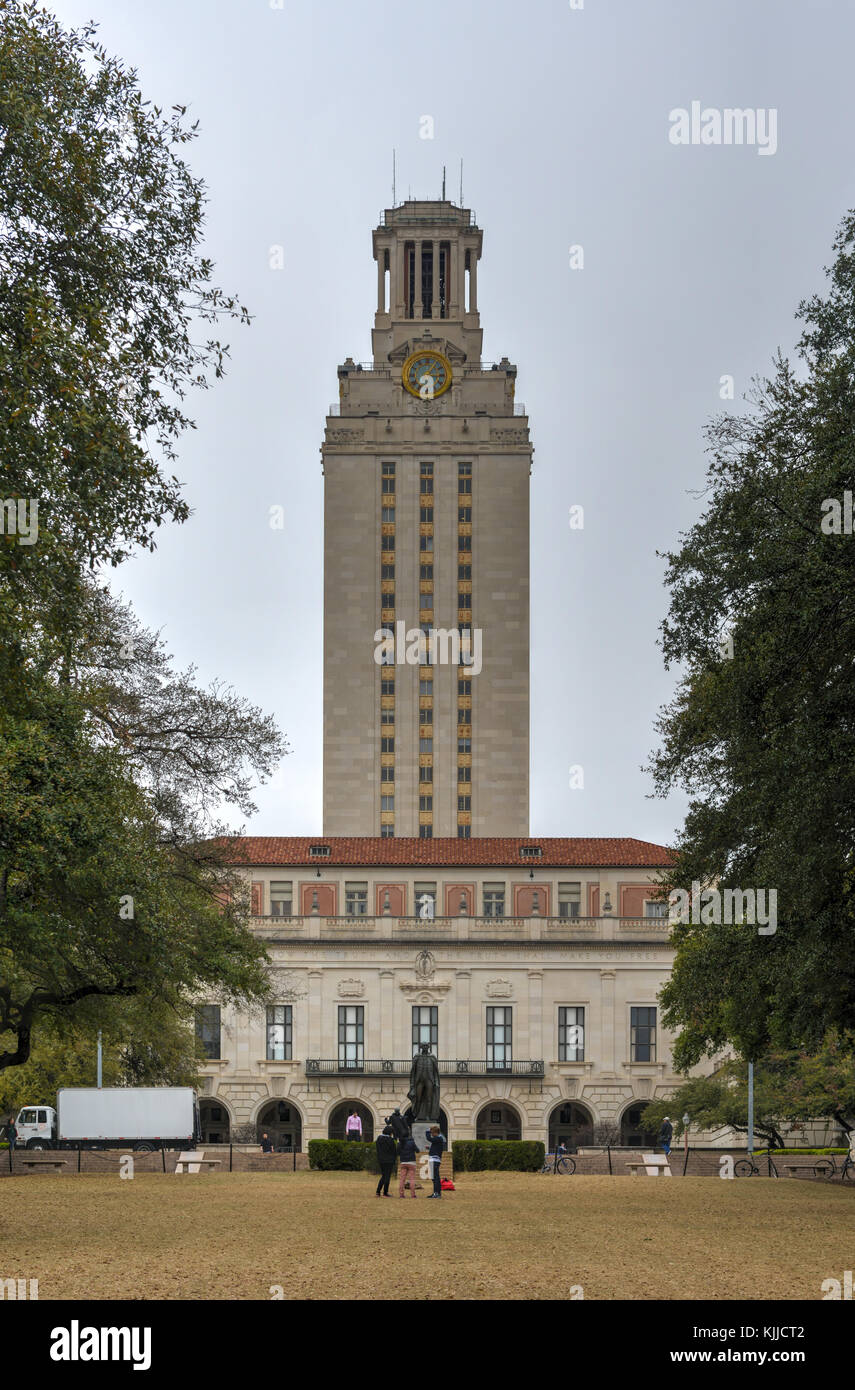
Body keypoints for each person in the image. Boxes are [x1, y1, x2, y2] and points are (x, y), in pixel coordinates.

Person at [424, 1124, 447, 1198]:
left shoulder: (438, 1138)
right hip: (434, 1159)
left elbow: (429, 1139)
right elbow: (435, 1146)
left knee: (436, 1178)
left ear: (435, 1132)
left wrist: (427, 1131)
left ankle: (437, 1193)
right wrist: (429, 1148)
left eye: (432, 1133)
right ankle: (436, 1193)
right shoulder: (438, 1139)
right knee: (434, 1178)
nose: (432, 1135)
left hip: (435, 1160)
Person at [375, 1125, 396, 1197]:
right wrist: (394, 1160)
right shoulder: (390, 1140)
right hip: (389, 1160)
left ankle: (378, 1191)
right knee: (387, 1176)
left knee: (383, 1175)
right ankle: (385, 1192)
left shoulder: (379, 1138)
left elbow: (377, 1149)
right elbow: (394, 1151)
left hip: (381, 1159)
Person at [398, 1130, 417, 1198]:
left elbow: (398, 1152)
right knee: (412, 1179)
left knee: (402, 1179)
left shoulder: (400, 1143)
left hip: (403, 1162)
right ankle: (413, 1194)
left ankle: (401, 1194)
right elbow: (417, 1150)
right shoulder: (412, 1142)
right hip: (411, 1162)